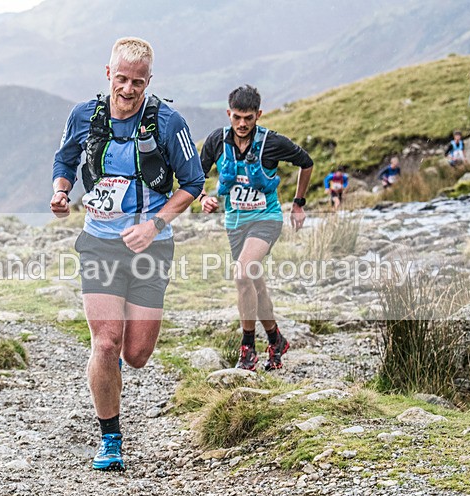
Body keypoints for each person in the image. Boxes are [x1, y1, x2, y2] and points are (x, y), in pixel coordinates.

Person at [50, 37, 204, 472]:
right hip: (98, 241)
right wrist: (61, 193)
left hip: (150, 247)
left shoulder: (169, 123)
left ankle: (112, 364)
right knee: (105, 341)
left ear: (149, 81)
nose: (128, 89)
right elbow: (64, 161)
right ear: (108, 74)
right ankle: (110, 439)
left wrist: (154, 224)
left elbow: (192, 184)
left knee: (135, 354)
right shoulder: (84, 115)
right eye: (121, 78)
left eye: (138, 82)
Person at [199, 85, 313, 372]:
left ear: (258, 115)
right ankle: (276, 339)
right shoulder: (216, 141)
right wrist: (203, 198)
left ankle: (248, 349)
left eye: (248, 118)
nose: (242, 124)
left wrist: (298, 203)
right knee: (256, 286)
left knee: (242, 275)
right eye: (237, 117)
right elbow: (194, 175)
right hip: (235, 224)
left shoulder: (271, 143)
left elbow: (306, 163)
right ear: (228, 114)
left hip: (266, 219)